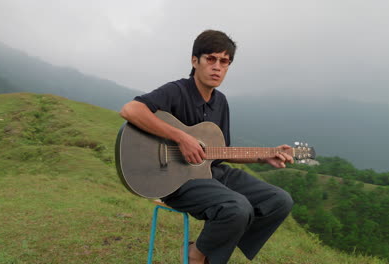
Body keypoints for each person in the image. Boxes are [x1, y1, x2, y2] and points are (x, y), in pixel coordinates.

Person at [119, 29, 294, 264]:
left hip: (212, 173)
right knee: (237, 207)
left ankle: (200, 251)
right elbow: (130, 110)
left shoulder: (221, 102)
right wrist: (181, 137)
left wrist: (265, 157)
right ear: (195, 61)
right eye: (210, 59)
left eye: (224, 61)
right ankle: (202, 255)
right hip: (177, 181)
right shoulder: (177, 91)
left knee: (279, 200)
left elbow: (220, 152)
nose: (217, 67)